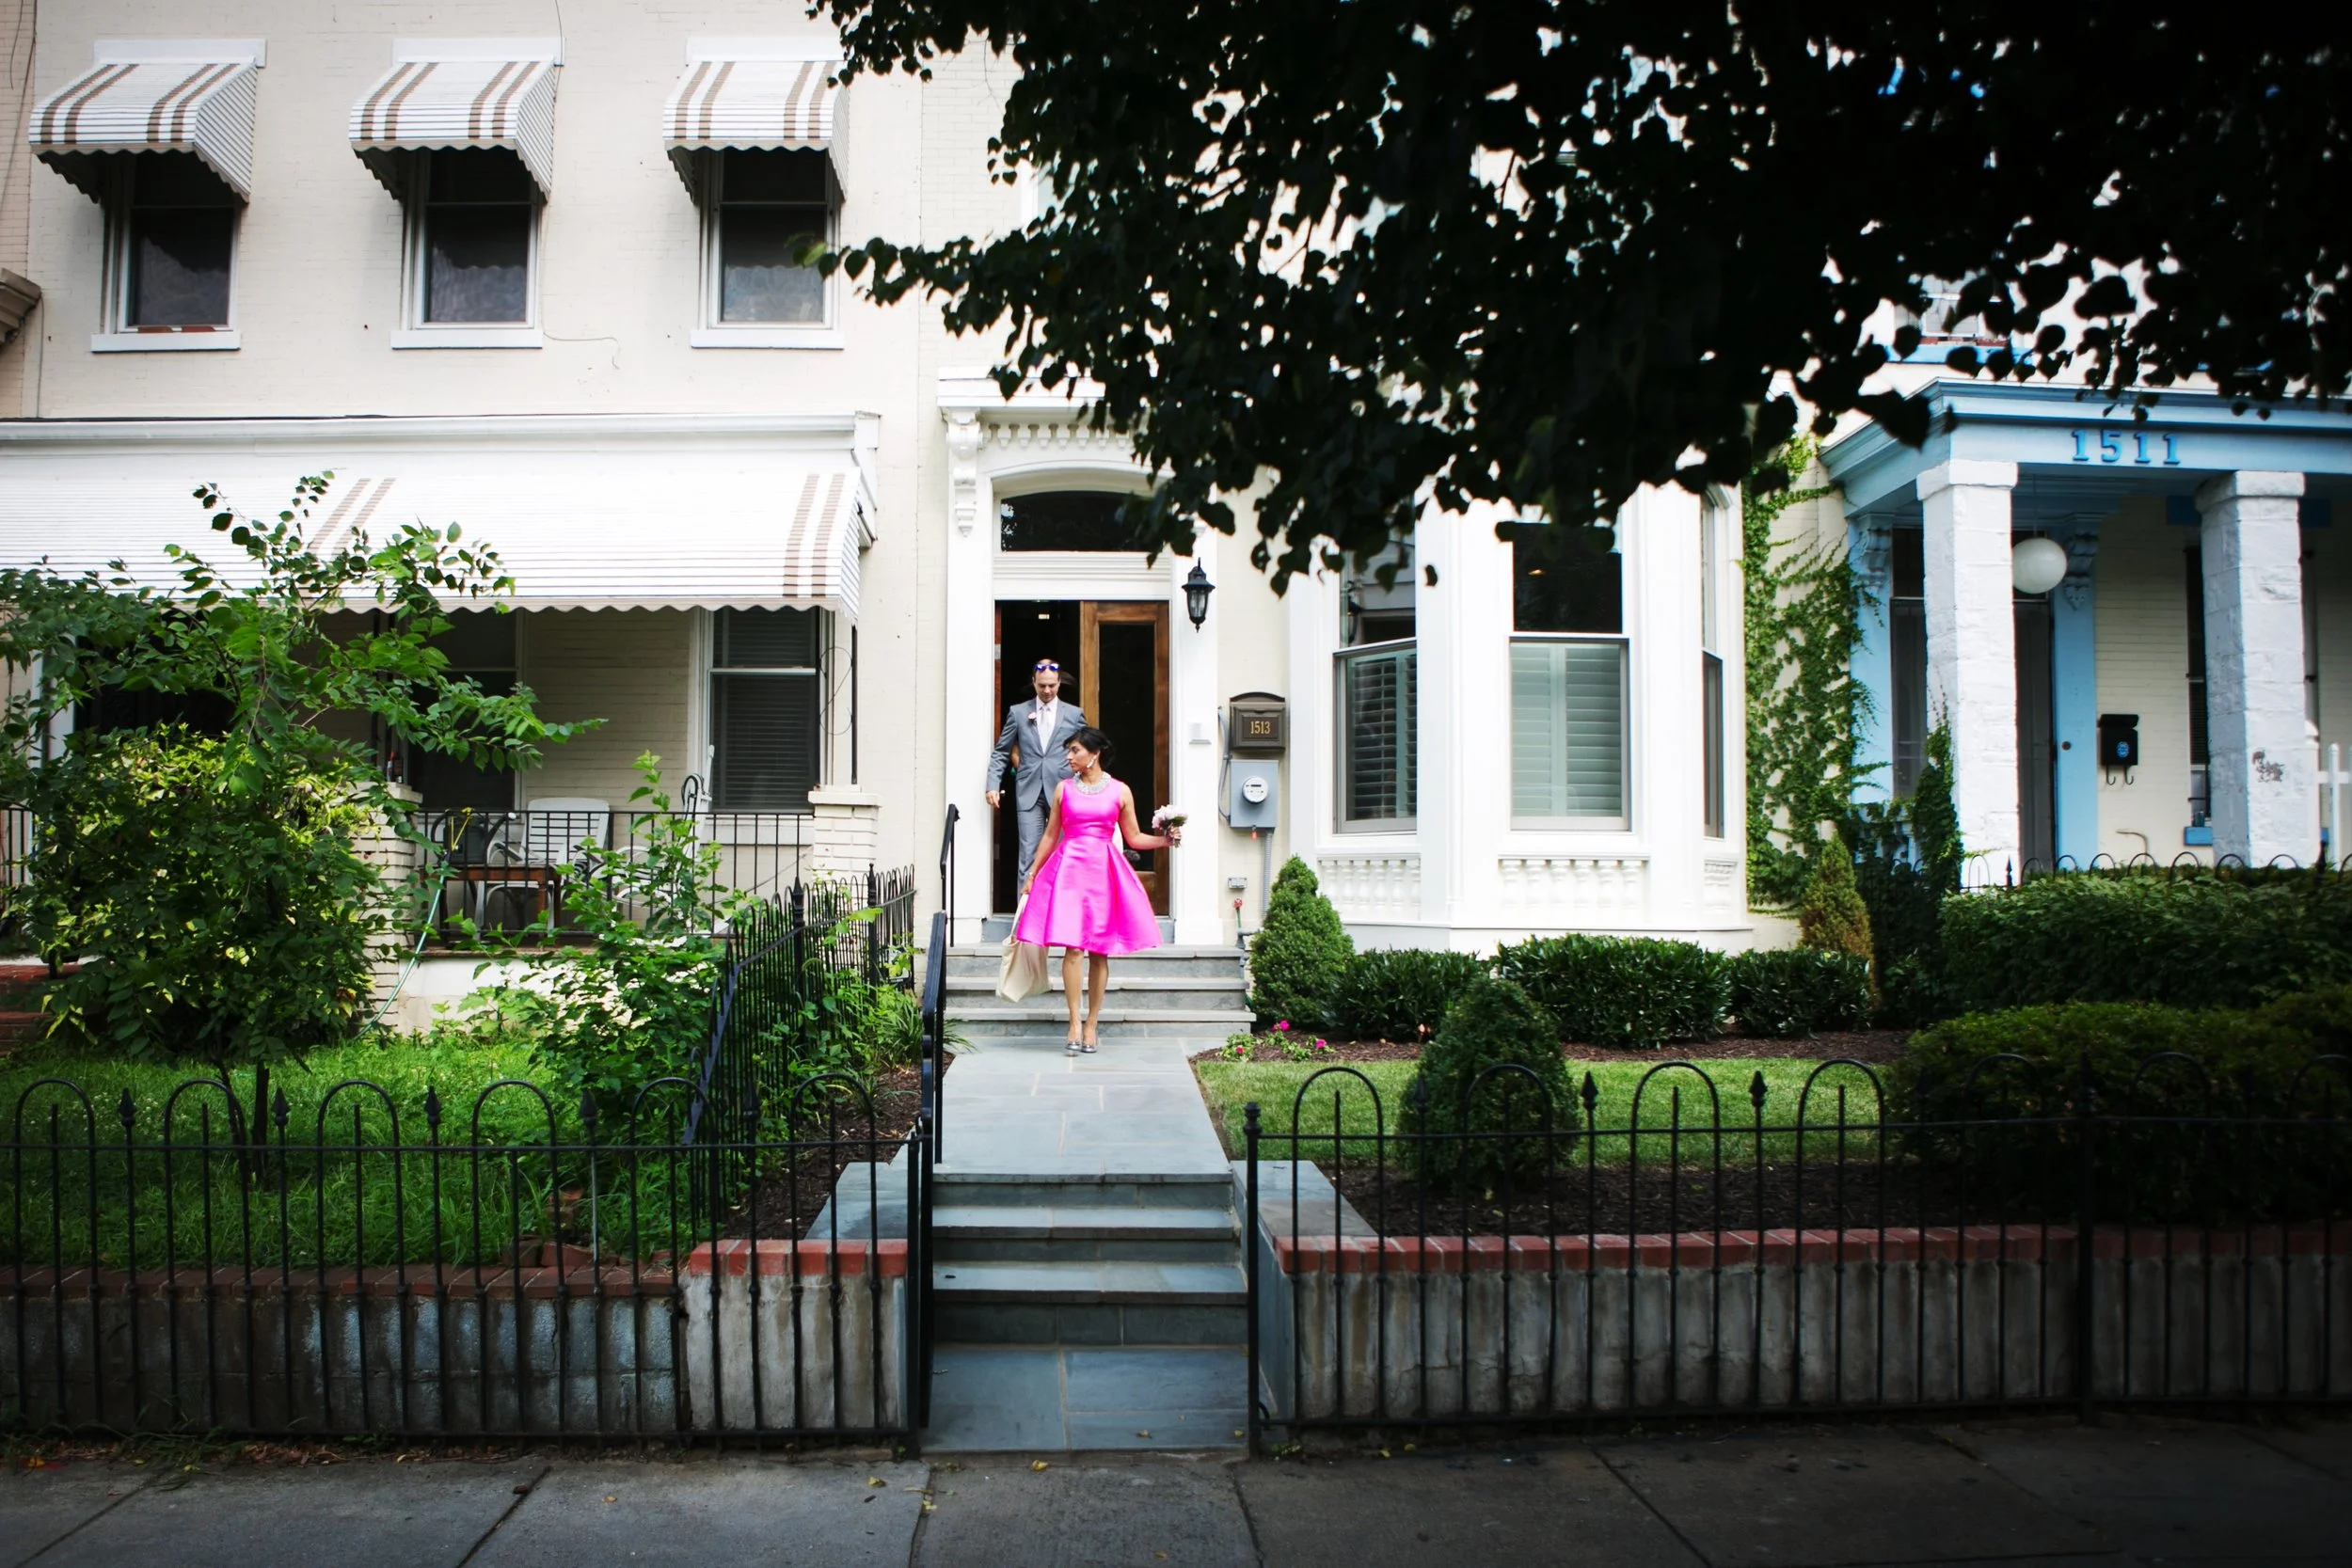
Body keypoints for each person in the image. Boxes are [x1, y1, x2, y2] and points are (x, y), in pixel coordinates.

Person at [1013, 727, 1180, 1053]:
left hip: (1103, 872)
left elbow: (1133, 838)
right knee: (1072, 949)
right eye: (1069, 751)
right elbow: (1050, 836)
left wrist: (1164, 840)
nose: (1069, 757)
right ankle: (1074, 1021)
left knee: (1099, 951)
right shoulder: (1063, 789)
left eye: (1075, 750)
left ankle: (1092, 1023)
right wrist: (1032, 873)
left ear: (1094, 754)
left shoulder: (1120, 791)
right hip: (1069, 871)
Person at [985, 658, 1090, 884]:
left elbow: (1087, 751)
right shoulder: (1018, 712)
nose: (1047, 690)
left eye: (1052, 685)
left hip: (1064, 791)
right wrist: (993, 784)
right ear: (1033, 682)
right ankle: (1025, 916)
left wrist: (1090, 783)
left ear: (1060, 683)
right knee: (1029, 854)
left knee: (1062, 854)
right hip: (1029, 790)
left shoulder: (1073, 714)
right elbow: (1002, 751)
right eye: (1042, 685)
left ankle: (1058, 915)